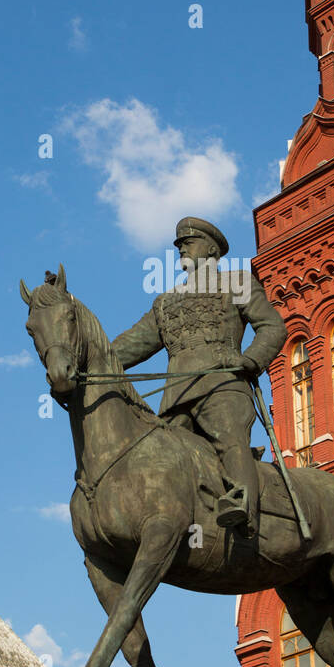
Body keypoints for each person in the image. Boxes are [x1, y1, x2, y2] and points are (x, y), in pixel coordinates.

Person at [112, 217, 287, 538]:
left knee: (230, 437)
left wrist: (250, 360)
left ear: (210, 249)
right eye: (179, 244)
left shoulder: (237, 283)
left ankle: (243, 509)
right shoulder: (165, 302)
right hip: (176, 397)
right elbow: (131, 345)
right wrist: (89, 358)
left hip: (222, 385)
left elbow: (273, 327)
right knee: (160, 455)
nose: (181, 248)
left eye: (188, 243)